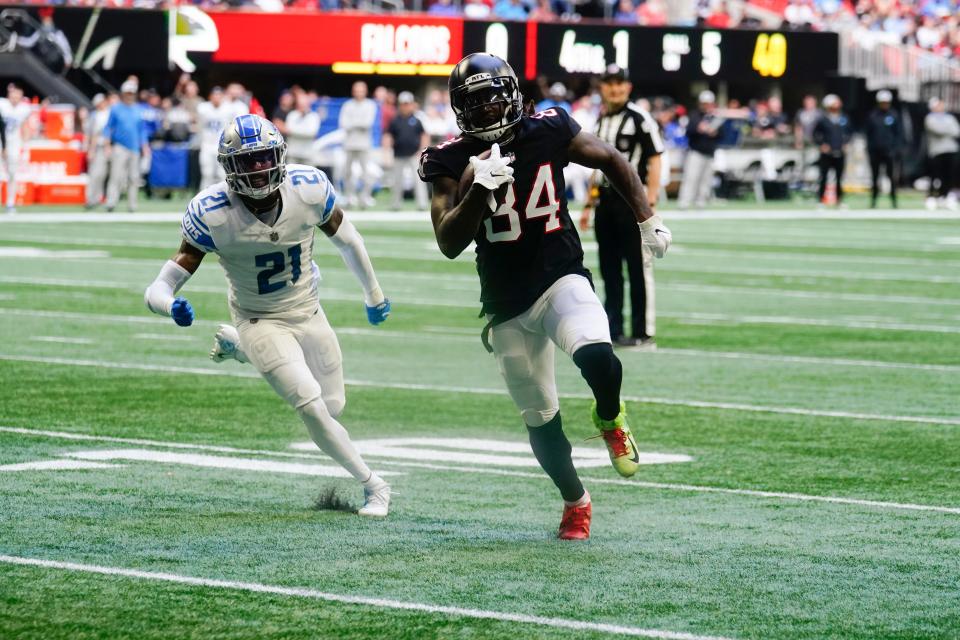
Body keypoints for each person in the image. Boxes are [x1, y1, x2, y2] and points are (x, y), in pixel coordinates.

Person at [418, 54, 671, 540]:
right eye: (476, 102)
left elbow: (614, 160)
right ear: (459, 109)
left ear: (513, 94)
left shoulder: (548, 127)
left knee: (601, 358)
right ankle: (576, 501)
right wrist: (476, 191)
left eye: (495, 98)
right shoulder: (448, 158)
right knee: (540, 417)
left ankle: (609, 413)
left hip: (560, 276)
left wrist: (646, 218)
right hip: (506, 302)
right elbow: (448, 242)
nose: (489, 110)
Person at [143, 114, 393, 516]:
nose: (258, 168)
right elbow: (158, 286)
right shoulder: (212, 212)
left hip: (309, 310)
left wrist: (374, 295)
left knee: (333, 407)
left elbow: (348, 240)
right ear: (230, 167)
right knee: (310, 405)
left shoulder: (308, 188)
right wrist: (168, 304)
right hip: (259, 317)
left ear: (279, 154)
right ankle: (374, 485)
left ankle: (241, 351)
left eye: (263, 157)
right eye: (248, 160)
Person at [579, 65, 663, 349]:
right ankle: (613, 328)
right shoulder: (600, 120)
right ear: (602, 87)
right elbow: (596, 166)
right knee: (610, 269)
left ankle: (642, 331)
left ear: (628, 87)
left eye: (619, 84)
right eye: (609, 84)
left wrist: (649, 202)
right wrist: (589, 204)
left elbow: (655, 158)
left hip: (632, 203)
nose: (615, 89)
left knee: (638, 268)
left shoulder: (640, 118)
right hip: (606, 201)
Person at [104, 79, 149, 213]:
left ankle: (132, 205)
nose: (130, 95)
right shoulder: (116, 108)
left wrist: (144, 146)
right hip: (120, 146)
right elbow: (108, 128)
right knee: (116, 175)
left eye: (132, 93)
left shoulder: (138, 109)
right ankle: (111, 202)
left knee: (134, 177)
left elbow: (142, 130)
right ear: (123, 93)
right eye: (127, 93)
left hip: (134, 147)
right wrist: (107, 145)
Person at [384, 91, 429, 211]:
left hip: (414, 155)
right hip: (398, 154)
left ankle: (422, 204)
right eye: (403, 104)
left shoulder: (417, 120)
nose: (405, 106)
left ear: (411, 104)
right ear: (400, 105)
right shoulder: (395, 121)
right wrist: (387, 152)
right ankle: (395, 204)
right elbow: (388, 136)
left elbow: (424, 136)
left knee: (419, 180)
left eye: (407, 104)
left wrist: (422, 151)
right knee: (397, 181)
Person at [677, 90, 721, 210]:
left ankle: (701, 201)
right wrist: (699, 129)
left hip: (710, 152)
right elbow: (688, 131)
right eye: (705, 103)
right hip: (696, 151)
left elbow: (722, 135)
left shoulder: (715, 117)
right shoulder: (695, 115)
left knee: (706, 179)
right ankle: (684, 201)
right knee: (691, 177)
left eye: (709, 103)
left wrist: (714, 132)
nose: (707, 106)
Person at [338, 81, 378, 209]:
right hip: (349, 144)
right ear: (353, 91)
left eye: (361, 90)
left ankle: (364, 198)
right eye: (356, 90)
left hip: (364, 144)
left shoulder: (370, 105)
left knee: (366, 172)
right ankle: (349, 198)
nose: (359, 93)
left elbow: (368, 123)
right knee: (347, 172)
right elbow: (343, 124)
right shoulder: (347, 105)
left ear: (365, 91)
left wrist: (353, 123)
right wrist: (358, 124)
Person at [197, 87, 244, 189]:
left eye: (219, 95)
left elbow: (238, 117)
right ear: (210, 96)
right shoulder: (203, 108)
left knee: (222, 174)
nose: (216, 97)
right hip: (206, 145)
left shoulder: (229, 108)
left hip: (221, 146)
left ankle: (223, 196)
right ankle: (203, 196)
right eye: (214, 95)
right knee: (206, 173)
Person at [864, 89, 904, 209]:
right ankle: (873, 201)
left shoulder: (894, 115)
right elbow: (868, 134)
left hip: (889, 152)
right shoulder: (872, 115)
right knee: (875, 177)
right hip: (875, 152)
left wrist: (895, 149)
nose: (884, 104)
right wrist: (870, 149)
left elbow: (899, 134)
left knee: (891, 177)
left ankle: (894, 201)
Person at [812, 94, 852, 208]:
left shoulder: (844, 118)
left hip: (840, 152)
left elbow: (850, 133)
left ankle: (839, 200)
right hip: (827, 154)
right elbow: (815, 134)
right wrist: (821, 145)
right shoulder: (823, 119)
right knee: (823, 177)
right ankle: (820, 200)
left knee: (839, 178)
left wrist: (846, 143)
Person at [0, 85, 32, 213]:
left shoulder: (24, 109)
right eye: (13, 95)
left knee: (12, 174)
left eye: (17, 96)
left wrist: (25, 144)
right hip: (1, 141)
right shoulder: (2, 104)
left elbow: (25, 126)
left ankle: (10, 203)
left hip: (14, 143)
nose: (15, 98)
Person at [924, 97, 959, 210]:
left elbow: (957, 131)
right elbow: (938, 130)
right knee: (935, 176)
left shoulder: (949, 117)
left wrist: (946, 129)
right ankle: (931, 197)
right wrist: (948, 129)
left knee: (949, 175)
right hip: (936, 151)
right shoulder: (929, 118)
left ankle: (944, 196)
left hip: (951, 149)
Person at [84, 93, 111, 209]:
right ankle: (91, 198)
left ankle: (101, 197)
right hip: (99, 147)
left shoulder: (111, 113)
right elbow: (93, 135)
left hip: (111, 146)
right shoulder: (95, 115)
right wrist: (91, 149)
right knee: (95, 173)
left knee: (106, 175)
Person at [285, 92, 321, 167]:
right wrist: (303, 130)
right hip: (293, 153)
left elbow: (312, 133)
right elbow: (288, 130)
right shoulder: (292, 115)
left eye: (304, 104)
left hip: (307, 155)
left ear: (308, 104)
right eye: (300, 104)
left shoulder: (314, 116)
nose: (302, 106)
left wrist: (294, 131)